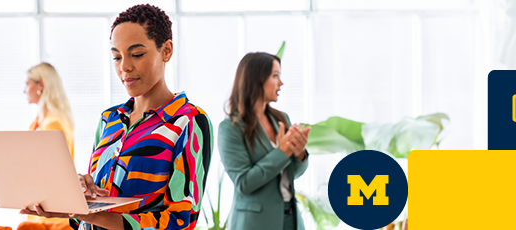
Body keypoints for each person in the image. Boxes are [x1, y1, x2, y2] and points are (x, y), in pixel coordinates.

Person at [20, 4, 213, 230]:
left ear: (167, 50)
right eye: (116, 57)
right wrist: (76, 198)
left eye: (137, 54)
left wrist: (95, 217)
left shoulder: (188, 121)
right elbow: (97, 206)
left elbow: (182, 220)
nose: (125, 67)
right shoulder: (109, 119)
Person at [218, 52, 310, 230]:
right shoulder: (230, 128)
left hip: (291, 220)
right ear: (256, 79)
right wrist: (282, 153)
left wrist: (299, 154)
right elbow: (244, 183)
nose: (281, 83)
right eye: (275, 76)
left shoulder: (281, 119)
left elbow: (290, 174)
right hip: (255, 223)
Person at [24, 62, 75, 159]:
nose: (24, 90)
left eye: (27, 84)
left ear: (41, 85)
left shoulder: (52, 123)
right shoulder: (41, 121)